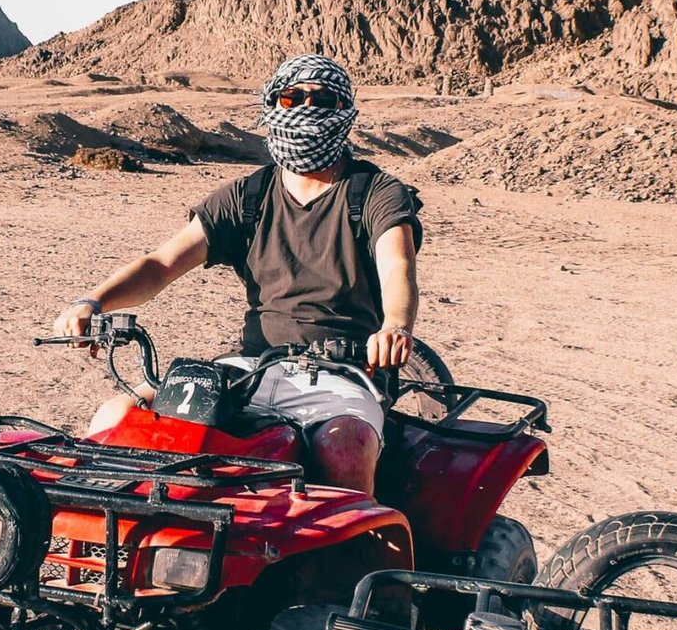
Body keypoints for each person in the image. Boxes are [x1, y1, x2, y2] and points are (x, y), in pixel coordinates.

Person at [53, 54, 422, 492]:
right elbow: (161, 263)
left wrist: (395, 327)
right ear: (272, 106)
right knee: (118, 417)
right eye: (292, 98)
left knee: (345, 448)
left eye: (323, 99)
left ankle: (354, 560)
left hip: (340, 375)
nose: (306, 108)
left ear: (345, 110)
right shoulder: (248, 196)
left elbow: (397, 265)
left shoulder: (375, 192)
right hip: (250, 367)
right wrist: (92, 302)